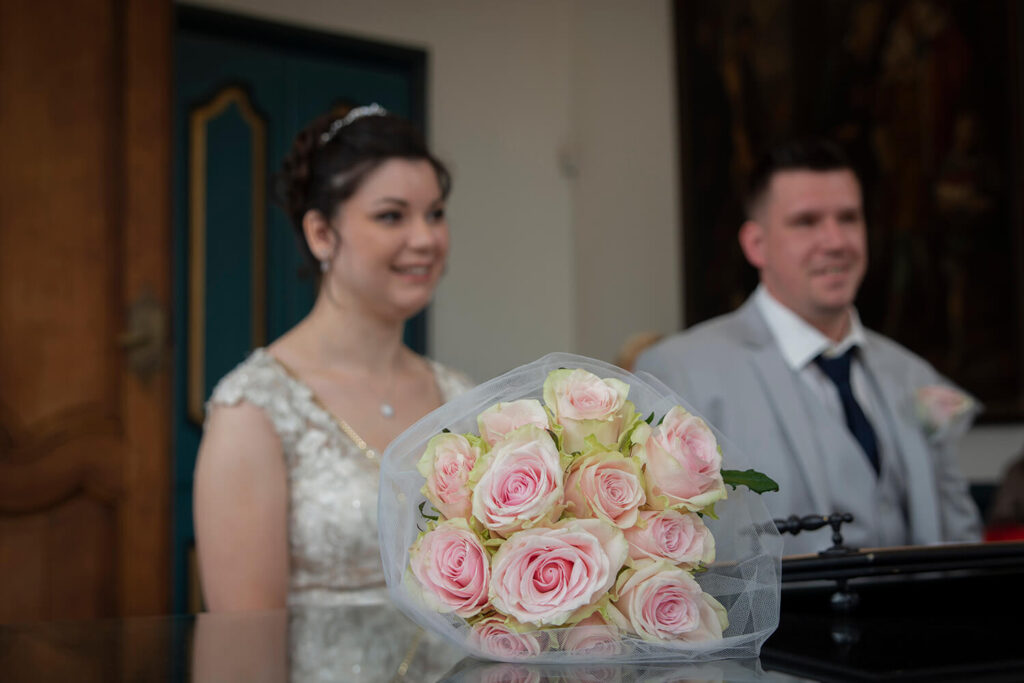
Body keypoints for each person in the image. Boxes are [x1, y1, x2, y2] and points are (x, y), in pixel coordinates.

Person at [637, 138, 981, 555]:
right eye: (806, 222)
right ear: (756, 244)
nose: (835, 241)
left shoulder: (913, 375)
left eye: (849, 218)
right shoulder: (680, 373)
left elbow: (962, 539)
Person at [193, 104, 472, 611]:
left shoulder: (461, 396)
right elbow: (243, 644)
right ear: (321, 233)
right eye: (391, 216)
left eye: (435, 214)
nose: (426, 239)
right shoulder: (255, 409)